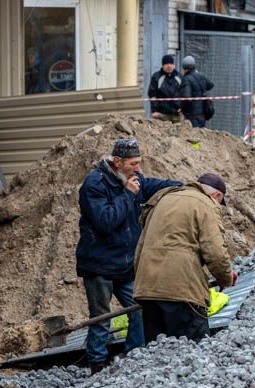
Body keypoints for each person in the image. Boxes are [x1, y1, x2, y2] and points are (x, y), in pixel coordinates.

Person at [76, 139, 181, 374]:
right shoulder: (94, 185)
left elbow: (154, 185)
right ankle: (97, 364)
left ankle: (134, 355)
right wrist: (127, 195)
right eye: (133, 164)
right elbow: (106, 221)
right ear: (117, 162)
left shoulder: (135, 179)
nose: (138, 169)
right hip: (99, 265)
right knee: (102, 317)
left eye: (139, 163)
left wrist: (185, 187)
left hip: (125, 264)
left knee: (139, 307)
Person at [133, 172, 236, 344]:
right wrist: (225, 278)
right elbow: (216, 253)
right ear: (217, 195)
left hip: (148, 289)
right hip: (182, 293)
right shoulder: (206, 204)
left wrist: (142, 283)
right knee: (193, 351)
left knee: (155, 356)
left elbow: (141, 247)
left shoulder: (163, 198)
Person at [179, 55, 215, 129]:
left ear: (184, 68)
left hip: (192, 117)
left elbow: (187, 97)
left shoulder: (186, 79)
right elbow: (210, 85)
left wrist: (181, 108)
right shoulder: (201, 76)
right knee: (200, 136)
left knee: (192, 138)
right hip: (202, 115)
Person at [147, 54, 184, 123]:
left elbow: (184, 94)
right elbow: (152, 95)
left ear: (174, 65)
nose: (169, 66)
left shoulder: (179, 77)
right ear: (163, 65)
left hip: (177, 114)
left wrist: (182, 108)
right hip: (161, 115)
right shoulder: (156, 77)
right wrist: (154, 111)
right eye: (166, 64)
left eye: (171, 63)